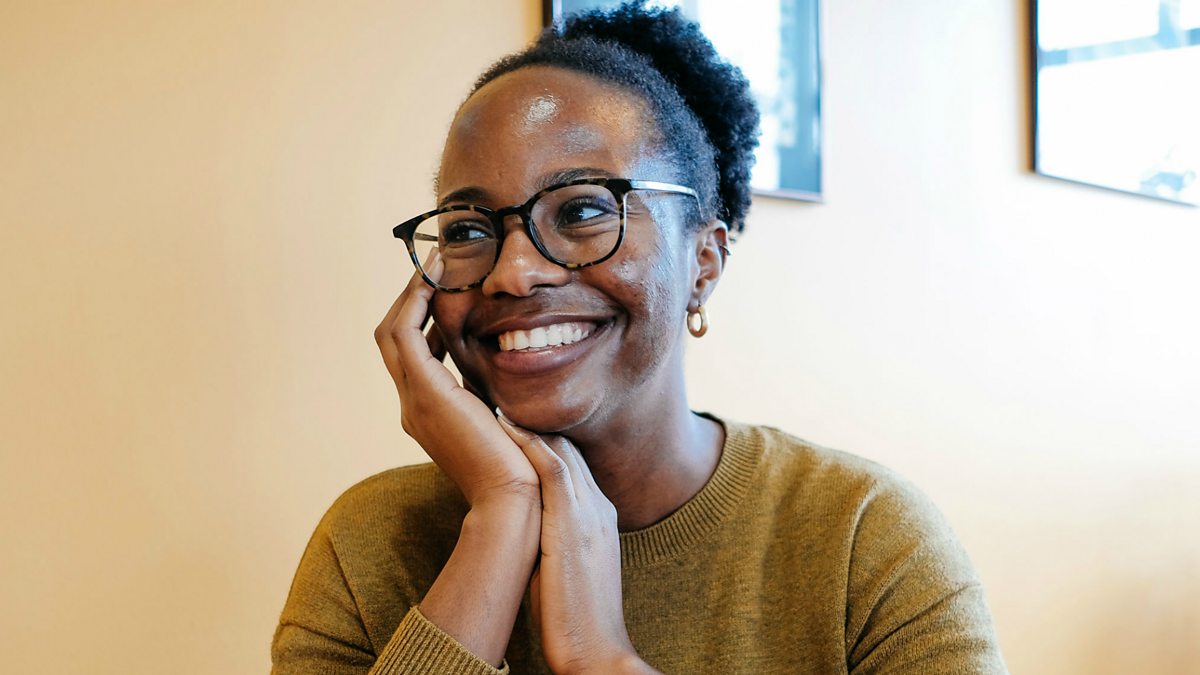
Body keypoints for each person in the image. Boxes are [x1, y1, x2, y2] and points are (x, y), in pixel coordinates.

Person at [271, 2, 1007, 673]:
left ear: (703, 262)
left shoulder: (865, 539)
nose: (514, 272)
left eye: (583, 210)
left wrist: (602, 658)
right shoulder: (371, 542)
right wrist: (500, 515)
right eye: (467, 229)